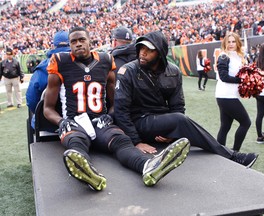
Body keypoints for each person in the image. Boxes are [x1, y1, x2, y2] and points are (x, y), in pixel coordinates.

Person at [43, 26, 190, 191]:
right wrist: (61, 121)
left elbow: (115, 101)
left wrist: (110, 114)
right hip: (74, 120)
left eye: (82, 40)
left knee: (121, 141)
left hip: (99, 120)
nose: (78, 44)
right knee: (76, 143)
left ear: (90, 41)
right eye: (74, 41)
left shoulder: (106, 60)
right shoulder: (60, 62)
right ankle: (88, 174)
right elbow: (47, 108)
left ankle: (148, 166)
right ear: (69, 45)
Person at [114, 30, 258, 168]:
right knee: (181, 120)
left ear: (160, 53)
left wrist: (173, 134)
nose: (142, 53)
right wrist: (136, 141)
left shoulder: (173, 71)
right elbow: (121, 111)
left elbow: (177, 106)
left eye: (149, 50)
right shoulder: (128, 71)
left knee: (181, 120)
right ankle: (232, 156)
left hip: (161, 122)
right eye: (141, 48)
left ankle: (228, 153)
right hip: (139, 122)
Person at [26, 30, 71, 129]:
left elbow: (31, 100)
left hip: (48, 125)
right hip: (79, 123)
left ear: (53, 46)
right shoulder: (82, 64)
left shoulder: (42, 69)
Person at [215, 32, 251, 152]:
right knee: (246, 122)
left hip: (229, 95)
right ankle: (235, 152)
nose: (231, 44)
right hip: (226, 96)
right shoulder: (224, 56)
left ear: (237, 42)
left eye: (233, 41)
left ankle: (219, 153)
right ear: (225, 43)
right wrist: (243, 80)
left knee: (225, 126)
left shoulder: (237, 56)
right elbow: (224, 77)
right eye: (228, 41)